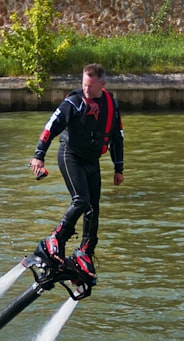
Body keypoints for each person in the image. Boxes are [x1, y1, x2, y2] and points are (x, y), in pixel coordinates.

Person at [30, 64, 124, 279]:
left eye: (91, 86)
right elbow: (50, 126)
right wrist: (38, 155)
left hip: (92, 160)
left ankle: (85, 252)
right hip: (70, 155)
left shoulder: (111, 105)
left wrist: (119, 168)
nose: (87, 90)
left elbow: (117, 138)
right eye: (84, 85)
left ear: (103, 84)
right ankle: (55, 238)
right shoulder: (74, 102)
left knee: (93, 208)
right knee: (81, 200)